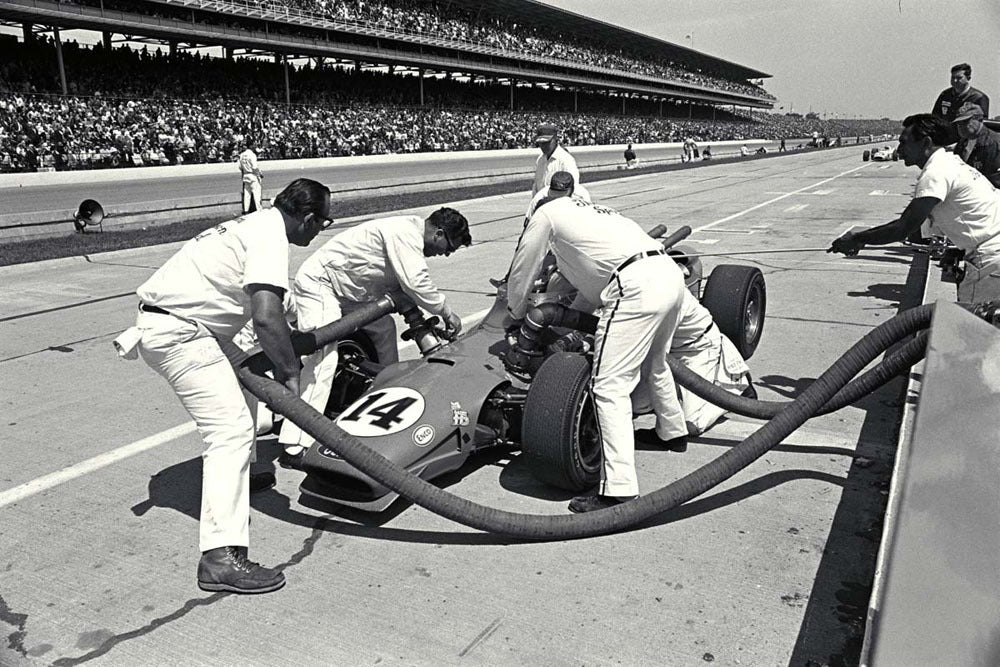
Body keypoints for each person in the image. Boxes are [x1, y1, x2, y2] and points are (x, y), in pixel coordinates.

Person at [112, 178, 333, 594]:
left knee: (245, 387)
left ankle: (241, 477)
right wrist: (289, 374)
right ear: (307, 217)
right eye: (324, 221)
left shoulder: (256, 224)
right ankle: (219, 559)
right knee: (229, 430)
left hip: (187, 326)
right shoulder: (270, 237)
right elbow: (266, 317)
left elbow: (266, 310)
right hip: (180, 333)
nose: (321, 229)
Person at [506, 190, 689, 513]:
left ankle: (618, 489)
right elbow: (589, 285)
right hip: (668, 276)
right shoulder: (594, 213)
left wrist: (517, 310)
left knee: (608, 386)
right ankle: (672, 432)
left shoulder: (545, 214)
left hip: (634, 287)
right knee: (655, 363)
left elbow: (523, 268)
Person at [277, 208, 472, 464]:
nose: (445, 254)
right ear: (438, 233)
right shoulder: (405, 234)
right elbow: (416, 283)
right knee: (323, 359)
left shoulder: (408, 235)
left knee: (384, 328)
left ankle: (383, 395)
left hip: (348, 293)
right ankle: (295, 444)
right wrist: (448, 313)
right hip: (321, 286)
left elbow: (405, 292)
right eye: (449, 247)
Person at [829, 114, 1000, 303]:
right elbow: (917, 229)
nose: (899, 150)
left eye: (904, 143)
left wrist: (858, 239)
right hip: (990, 249)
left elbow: (903, 228)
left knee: (971, 327)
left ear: (926, 143)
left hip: (991, 257)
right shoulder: (950, 163)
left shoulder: (936, 173)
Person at [931, 63, 990, 143]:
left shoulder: (979, 97)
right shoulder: (945, 95)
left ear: (968, 78)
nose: (955, 81)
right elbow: (935, 117)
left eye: (959, 78)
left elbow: (981, 126)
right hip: (944, 140)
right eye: (953, 77)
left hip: (965, 142)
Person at [953, 103, 1000, 187]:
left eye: (965, 122)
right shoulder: (961, 144)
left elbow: (995, 179)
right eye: (958, 123)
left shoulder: (993, 144)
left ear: (979, 119)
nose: (961, 126)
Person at [531, 122, 579, 197]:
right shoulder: (540, 159)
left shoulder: (566, 160)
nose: (543, 146)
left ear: (556, 139)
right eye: (541, 143)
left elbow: (574, 188)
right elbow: (536, 186)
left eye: (547, 142)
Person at [238, 138, 263, 214]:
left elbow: (240, 167)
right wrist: (260, 174)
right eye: (254, 144)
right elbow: (255, 167)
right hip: (253, 175)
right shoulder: (252, 155)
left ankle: (246, 210)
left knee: (247, 195)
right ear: (251, 145)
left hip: (245, 175)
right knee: (257, 194)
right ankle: (259, 211)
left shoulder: (242, 155)